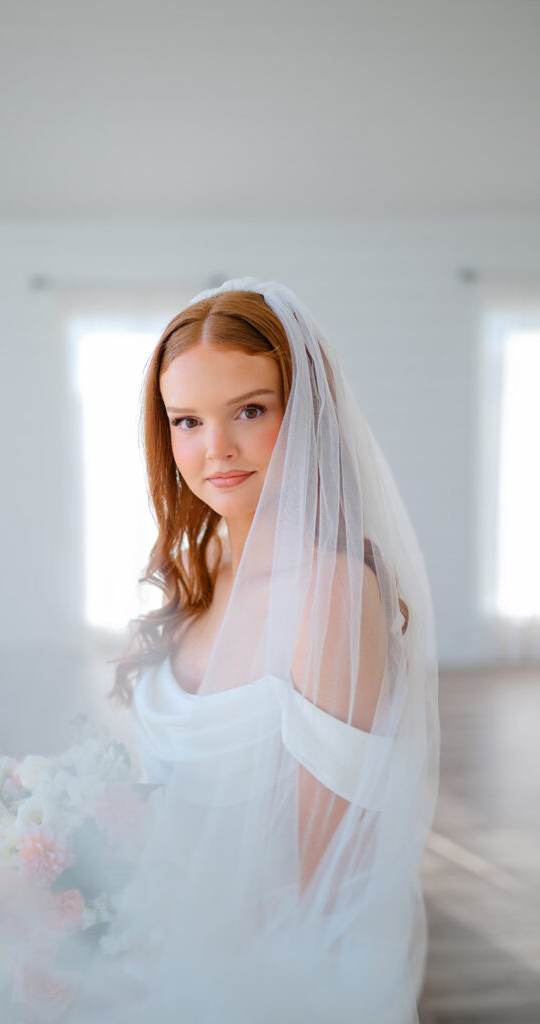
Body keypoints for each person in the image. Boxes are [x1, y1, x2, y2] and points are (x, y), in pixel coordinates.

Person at [90, 277, 440, 1023]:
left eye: (249, 410)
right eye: (186, 421)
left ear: (307, 414)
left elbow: (325, 874)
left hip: (262, 979)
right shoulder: (200, 568)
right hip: (155, 946)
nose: (215, 450)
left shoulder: (330, 596)